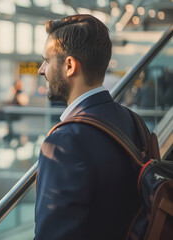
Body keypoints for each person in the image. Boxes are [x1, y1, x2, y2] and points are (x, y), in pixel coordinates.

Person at [34, 14, 143, 240]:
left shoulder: (64, 142)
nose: (41, 70)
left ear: (70, 65)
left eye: (47, 60)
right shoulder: (134, 122)